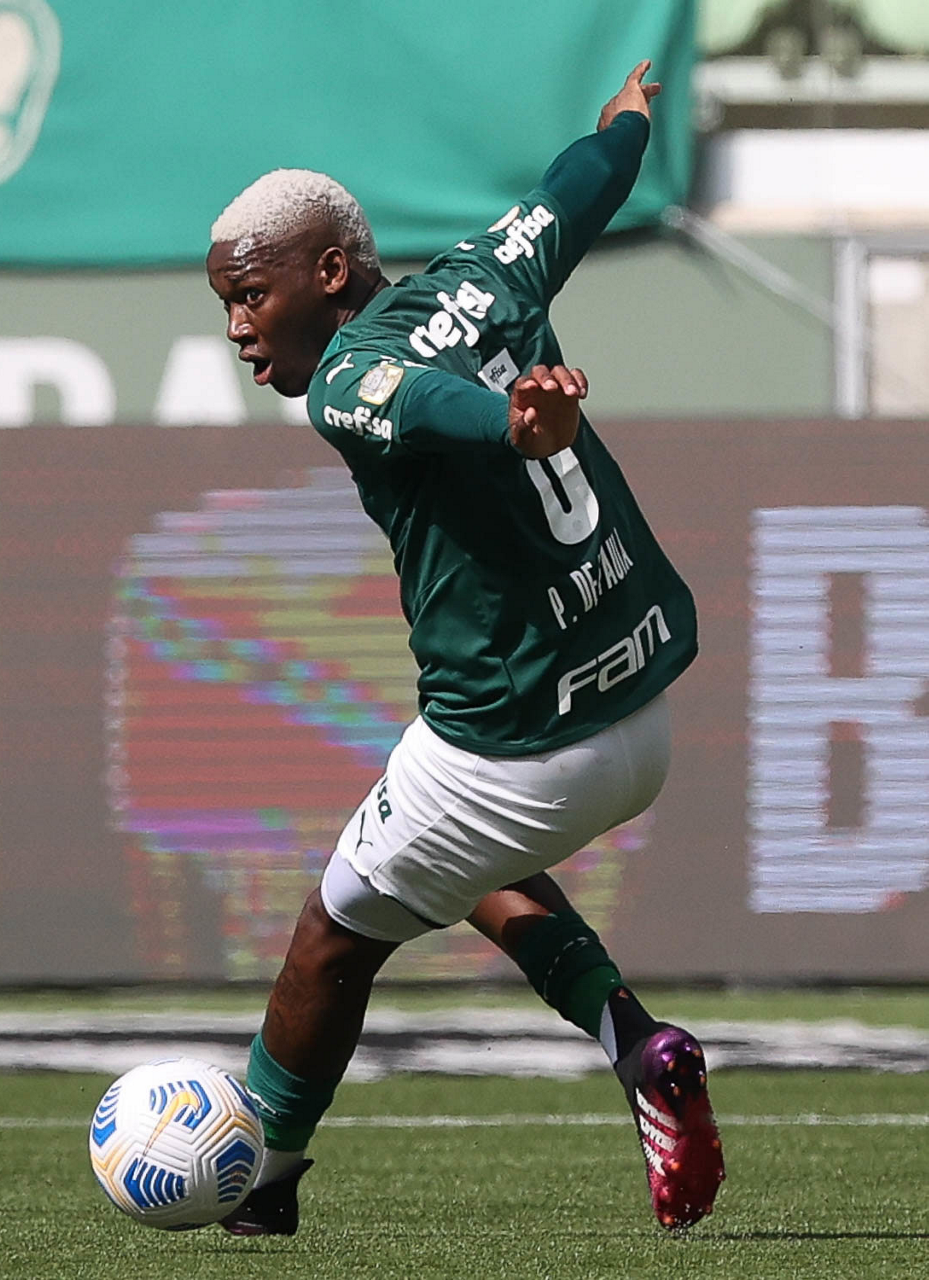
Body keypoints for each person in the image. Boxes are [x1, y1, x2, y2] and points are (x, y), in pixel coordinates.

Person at [206, 60, 724, 1236]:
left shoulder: (345, 376)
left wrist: (510, 424)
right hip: (638, 707)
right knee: (461, 864)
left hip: (519, 742)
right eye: (227, 304)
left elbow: (414, 401)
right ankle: (636, 1044)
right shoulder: (490, 267)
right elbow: (580, 186)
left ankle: (258, 1181)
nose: (239, 327)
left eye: (250, 294)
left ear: (330, 272)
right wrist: (626, 123)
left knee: (331, 935)